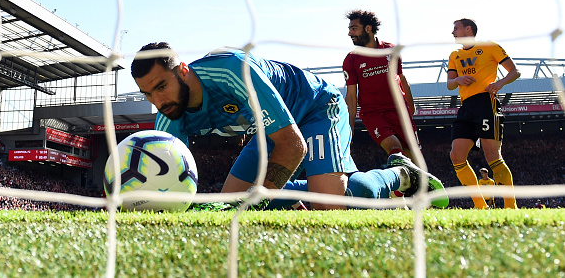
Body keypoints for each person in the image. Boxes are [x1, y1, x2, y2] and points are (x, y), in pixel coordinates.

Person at [131, 42, 449, 210]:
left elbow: (294, 145)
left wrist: (259, 198)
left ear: (183, 71)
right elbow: (165, 177)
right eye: (148, 94)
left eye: (161, 86)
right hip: (272, 130)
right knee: (227, 207)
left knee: (328, 205)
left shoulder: (232, 72)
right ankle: (294, 194)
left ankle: (401, 174)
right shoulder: (168, 113)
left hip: (316, 108)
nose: (158, 101)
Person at [447, 18, 520, 209]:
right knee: (456, 156)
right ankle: (481, 206)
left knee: (493, 156)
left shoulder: (490, 47)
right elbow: (449, 84)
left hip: (486, 103)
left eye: (456, 28)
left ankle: (511, 207)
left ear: (468, 29)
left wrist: (499, 83)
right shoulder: (454, 55)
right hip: (466, 107)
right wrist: (459, 79)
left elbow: (514, 71)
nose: (453, 32)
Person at [343, 10, 421, 161]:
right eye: (349, 29)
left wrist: (411, 107)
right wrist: (349, 128)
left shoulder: (391, 50)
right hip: (373, 114)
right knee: (394, 148)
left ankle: (419, 184)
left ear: (368, 28)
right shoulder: (351, 59)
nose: (349, 33)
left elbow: (401, 79)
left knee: (416, 159)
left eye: (354, 28)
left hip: (399, 111)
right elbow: (351, 97)